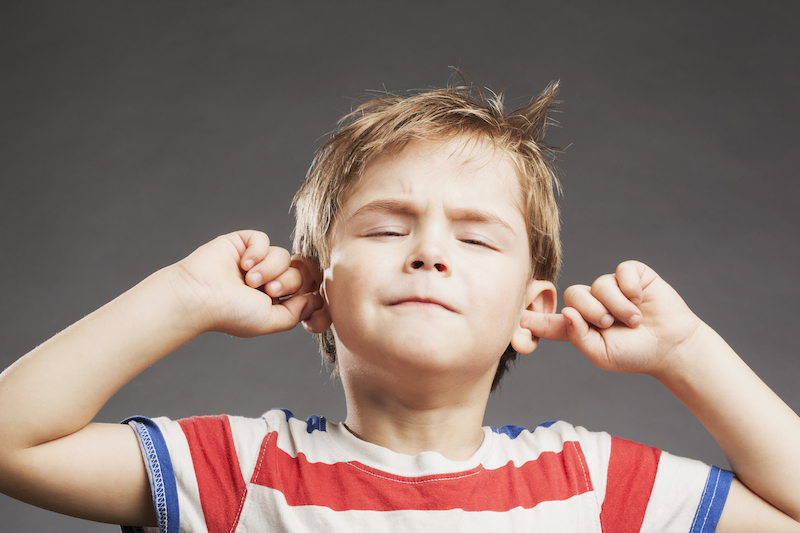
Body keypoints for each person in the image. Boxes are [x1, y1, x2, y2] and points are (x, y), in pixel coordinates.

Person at [0, 81, 798, 533]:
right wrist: (181, 295)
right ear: (320, 290)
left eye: (478, 240)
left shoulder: (592, 482)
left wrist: (686, 351)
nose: (429, 250)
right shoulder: (237, 472)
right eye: (386, 227)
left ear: (534, 307)